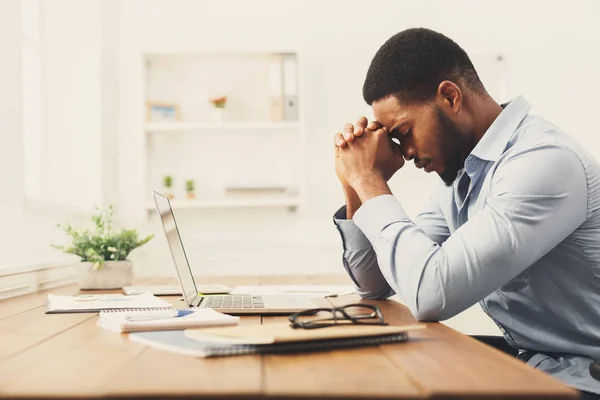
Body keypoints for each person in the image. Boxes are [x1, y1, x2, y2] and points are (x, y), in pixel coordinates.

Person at [332, 27, 600, 398]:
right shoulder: (462, 176)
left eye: (404, 131)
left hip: (583, 379)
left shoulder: (542, 162)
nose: (404, 152)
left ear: (449, 97)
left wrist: (368, 178)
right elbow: (375, 283)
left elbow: (431, 292)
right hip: (534, 365)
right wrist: (354, 184)